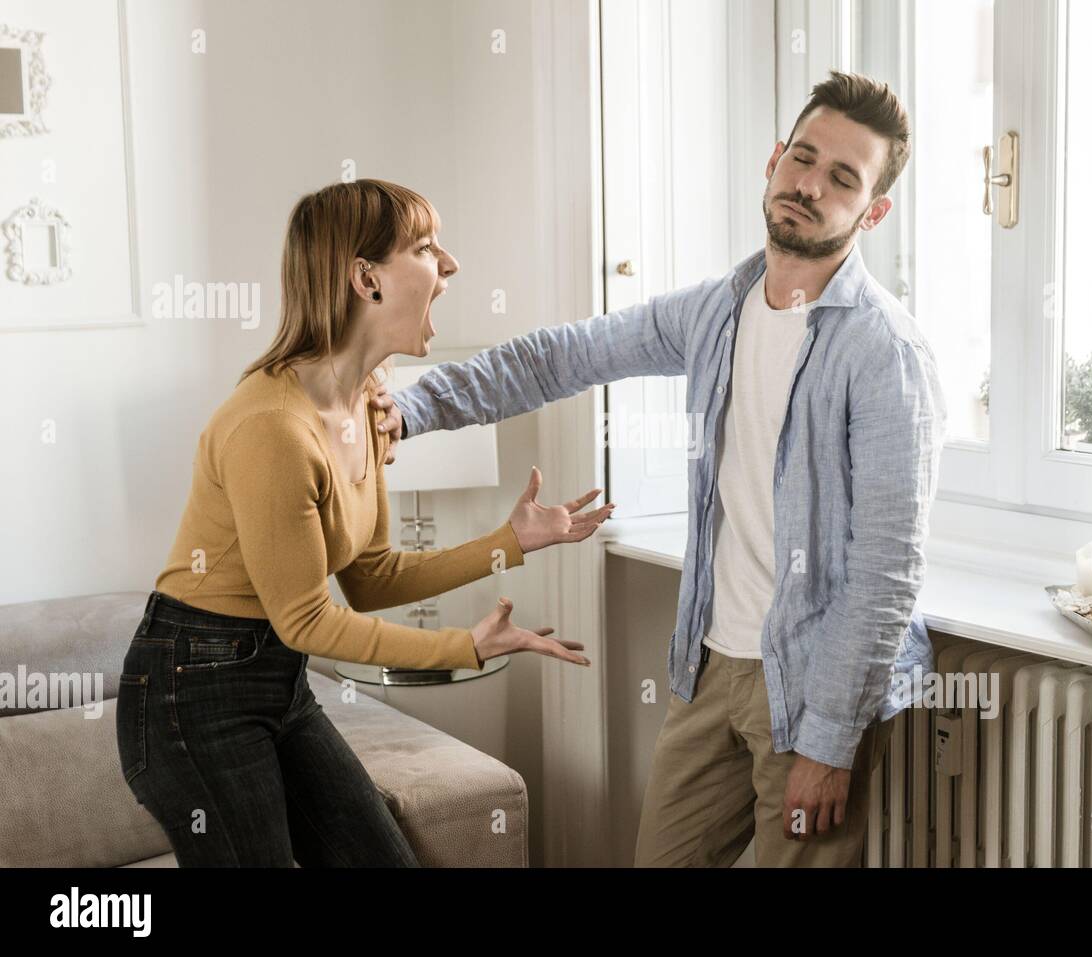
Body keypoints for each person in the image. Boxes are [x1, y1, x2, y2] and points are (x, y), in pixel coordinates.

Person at [372, 72, 948, 867]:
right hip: (709, 667)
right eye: (803, 158)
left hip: (815, 688)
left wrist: (831, 742)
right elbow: (560, 357)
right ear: (775, 159)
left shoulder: (885, 354)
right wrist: (410, 407)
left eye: (843, 177)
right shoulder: (716, 311)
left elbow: (888, 570)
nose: (811, 184)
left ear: (873, 210)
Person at [116, 179, 614, 867]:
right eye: (425, 246)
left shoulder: (369, 404)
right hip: (190, 694)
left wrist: (510, 543)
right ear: (365, 279)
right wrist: (462, 645)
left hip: (278, 685)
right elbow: (309, 621)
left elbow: (373, 578)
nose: (451, 265)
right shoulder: (272, 428)